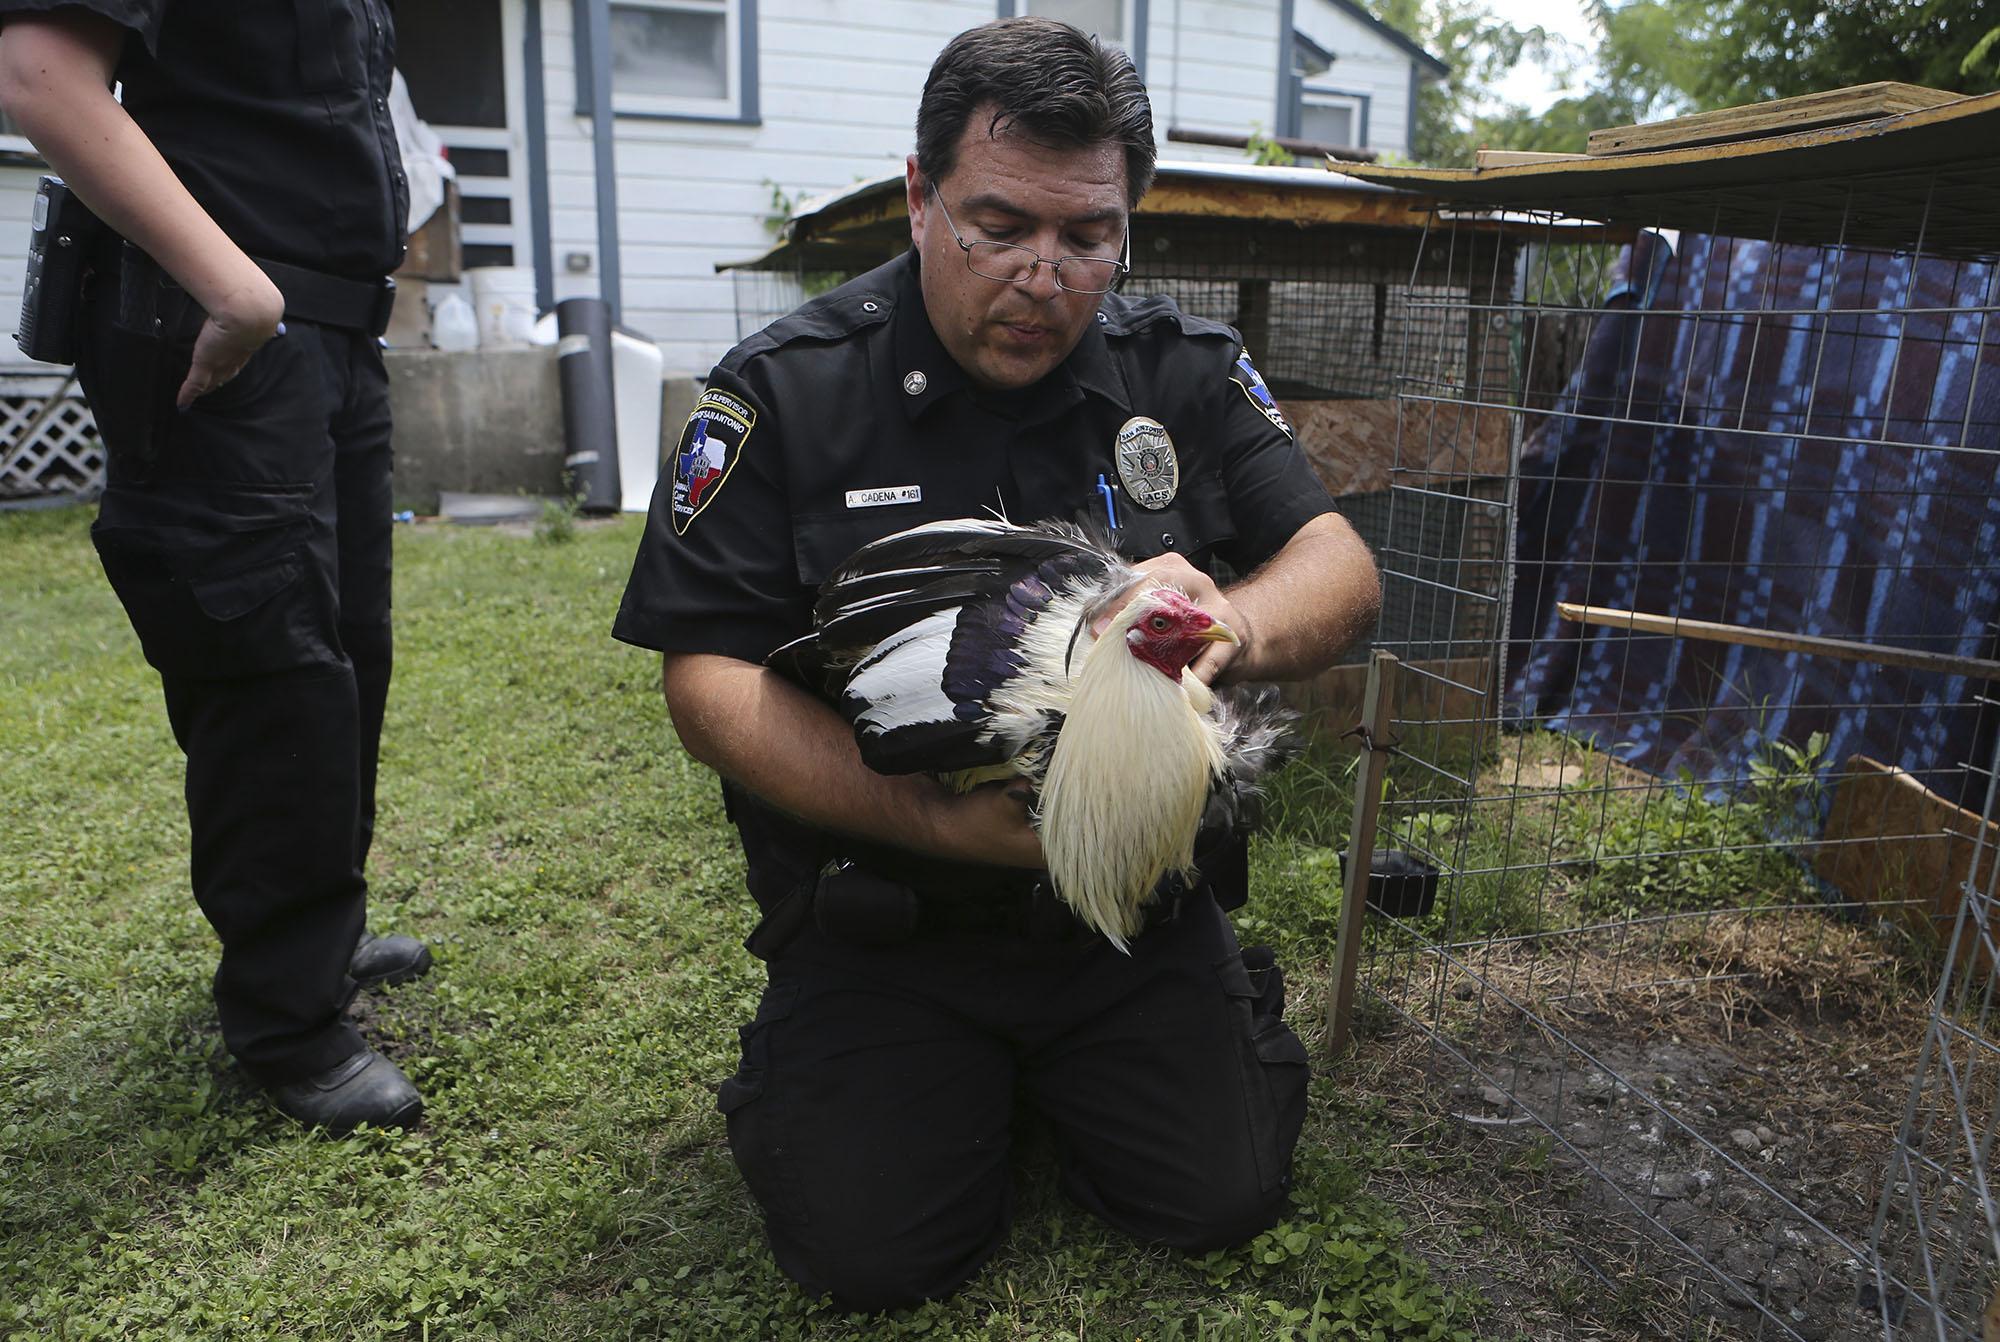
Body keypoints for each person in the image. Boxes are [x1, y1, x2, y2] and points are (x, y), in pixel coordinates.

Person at [614, 17, 1381, 1311]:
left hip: (1132, 913)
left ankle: (1166, 1023)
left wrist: (1225, 623)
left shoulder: (1177, 373)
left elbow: (1341, 566)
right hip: (894, 915)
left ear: (1127, 223)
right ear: (919, 198)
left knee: (1221, 1196)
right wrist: (932, 818)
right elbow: (709, 682)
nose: (1043, 273)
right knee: (870, 1253)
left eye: (1088, 235)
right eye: (998, 224)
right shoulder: (781, 392)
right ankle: (864, 1064)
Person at [0, 2, 431, 1132]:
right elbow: (41, 75)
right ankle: (286, 1016)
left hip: (328, 336)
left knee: (346, 650)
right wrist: (236, 290)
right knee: (270, 659)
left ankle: (311, 942)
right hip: (217, 326)